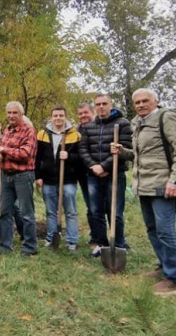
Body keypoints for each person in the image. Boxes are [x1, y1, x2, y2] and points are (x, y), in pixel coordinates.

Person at [112, 88, 176, 297]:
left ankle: (175, 280)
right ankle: (164, 267)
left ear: (155, 100)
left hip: (163, 185)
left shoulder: (167, 118)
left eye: (145, 101)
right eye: (136, 102)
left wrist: (175, 181)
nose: (140, 105)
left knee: (166, 231)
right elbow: (142, 155)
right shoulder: (138, 123)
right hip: (143, 186)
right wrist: (124, 152)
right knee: (152, 229)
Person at [78, 94, 133, 257]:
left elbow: (125, 148)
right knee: (96, 211)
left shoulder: (122, 124)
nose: (101, 107)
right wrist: (94, 166)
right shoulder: (89, 127)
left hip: (115, 174)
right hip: (94, 175)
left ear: (111, 105)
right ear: (95, 107)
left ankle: (119, 245)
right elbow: (83, 149)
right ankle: (102, 244)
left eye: (104, 103)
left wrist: (104, 166)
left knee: (115, 211)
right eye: (98, 104)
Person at [0, 101, 39, 256]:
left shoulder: (29, 131)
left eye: (15, 113)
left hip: (23, 176)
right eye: (9, 113)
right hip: (6, 176)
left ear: (21, 114)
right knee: (5, 212)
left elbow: (26, 154)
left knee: (26, 213)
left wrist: (4, 150)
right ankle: (6, 246)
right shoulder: (6, 130)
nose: (11, 116)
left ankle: (30, 247)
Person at [35, 104, 82, 251]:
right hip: (48, 179)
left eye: (61, 115)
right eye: (55, 116)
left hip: (68, 179)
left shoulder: (75, 135)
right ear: (51, 117)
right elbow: (37, 158)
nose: (58, 118)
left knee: (70, 211)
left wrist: (69, 156)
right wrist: (38, 176)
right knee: (50, 211)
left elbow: (81, 157)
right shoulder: (42, 134)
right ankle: (51, 238)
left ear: (65, 117)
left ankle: (72, 241)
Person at [76, 103, 96, 246]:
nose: (83, 116)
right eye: (80, 113)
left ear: (92, 112)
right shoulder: (77, 131)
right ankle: (95, 235)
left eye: (86, 112)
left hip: (99, 171)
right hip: (83, 173)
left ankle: (118, 238)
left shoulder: (99, 126)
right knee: (91, 205)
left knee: (106, 206)